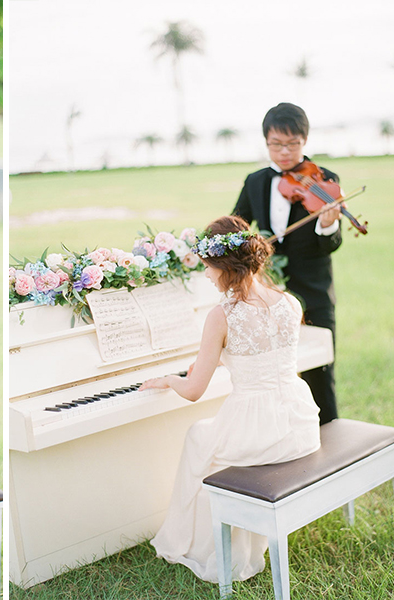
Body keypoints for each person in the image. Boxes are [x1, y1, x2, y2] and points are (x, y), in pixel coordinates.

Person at [141, 215, 321, 584]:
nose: (206, 276)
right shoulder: (289, 302)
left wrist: (169, 379)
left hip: (259, 434)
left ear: (224, 265)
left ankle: (194, 545)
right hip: (301, 425)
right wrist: (218, 357)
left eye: (207, 268)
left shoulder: (221, 316)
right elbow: (267, 356)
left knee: (197, 436)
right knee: (206, 435)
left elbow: (193, 392)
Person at [232, 102, 342, 425]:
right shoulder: (254, 181)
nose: (284, 152)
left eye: (292, 144)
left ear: (304, 141)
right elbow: (238, 224)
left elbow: (331, 244)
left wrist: (327, 224)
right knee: (272, 378)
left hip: (314, 294)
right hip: (267, 297)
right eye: (276, 144)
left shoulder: (325, 179)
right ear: (266, 141)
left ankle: (331, 443)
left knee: (320, 375)